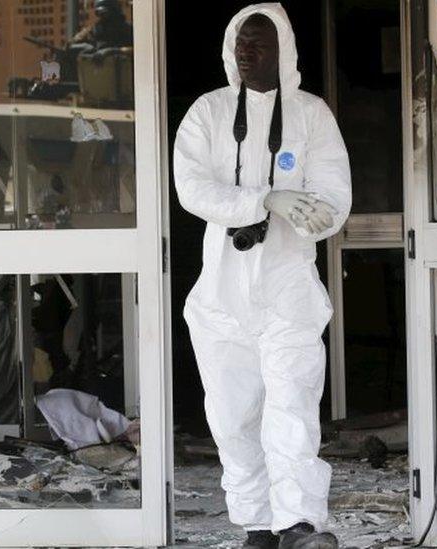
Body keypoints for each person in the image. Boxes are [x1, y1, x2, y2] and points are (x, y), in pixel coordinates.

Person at [173, 4, 351, 548]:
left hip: (287, 288)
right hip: (222, 294)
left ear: (285, 51)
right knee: (231, 417)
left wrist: (319, 215)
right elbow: (192, 189)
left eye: (259, 43)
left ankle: (299, 525)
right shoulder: (208, 112)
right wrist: (263, 199)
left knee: (292, 408)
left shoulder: (311, 114)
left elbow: (336, 195)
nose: (247, 53)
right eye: (240, 43)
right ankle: (257, 524)